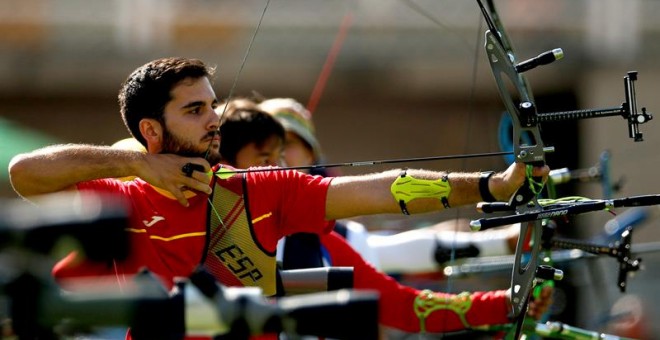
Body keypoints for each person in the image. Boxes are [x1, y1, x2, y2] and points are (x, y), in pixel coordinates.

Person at [8, 57, 548, 336]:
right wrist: (134, 163)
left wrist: (489, 187)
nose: (213, 119)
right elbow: (24, 173)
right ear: (151, 129)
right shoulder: (122, 196)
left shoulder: (262, 191)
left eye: (212, 105)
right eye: (194, 110)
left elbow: (379, 192)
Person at [213, 101, 553, 334]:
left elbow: (403, 305)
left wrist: (506, 302)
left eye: (285, 149)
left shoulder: (322, 243)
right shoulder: (195, 222)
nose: (279, 164)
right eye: (265, 155)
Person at [257, 97, 523, 274]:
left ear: (311, 157)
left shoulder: (332, 236)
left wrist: (502, 232)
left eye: (288, 143)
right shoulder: (229, 203)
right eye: (268, 144)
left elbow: (393, 245)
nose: (277, 154)